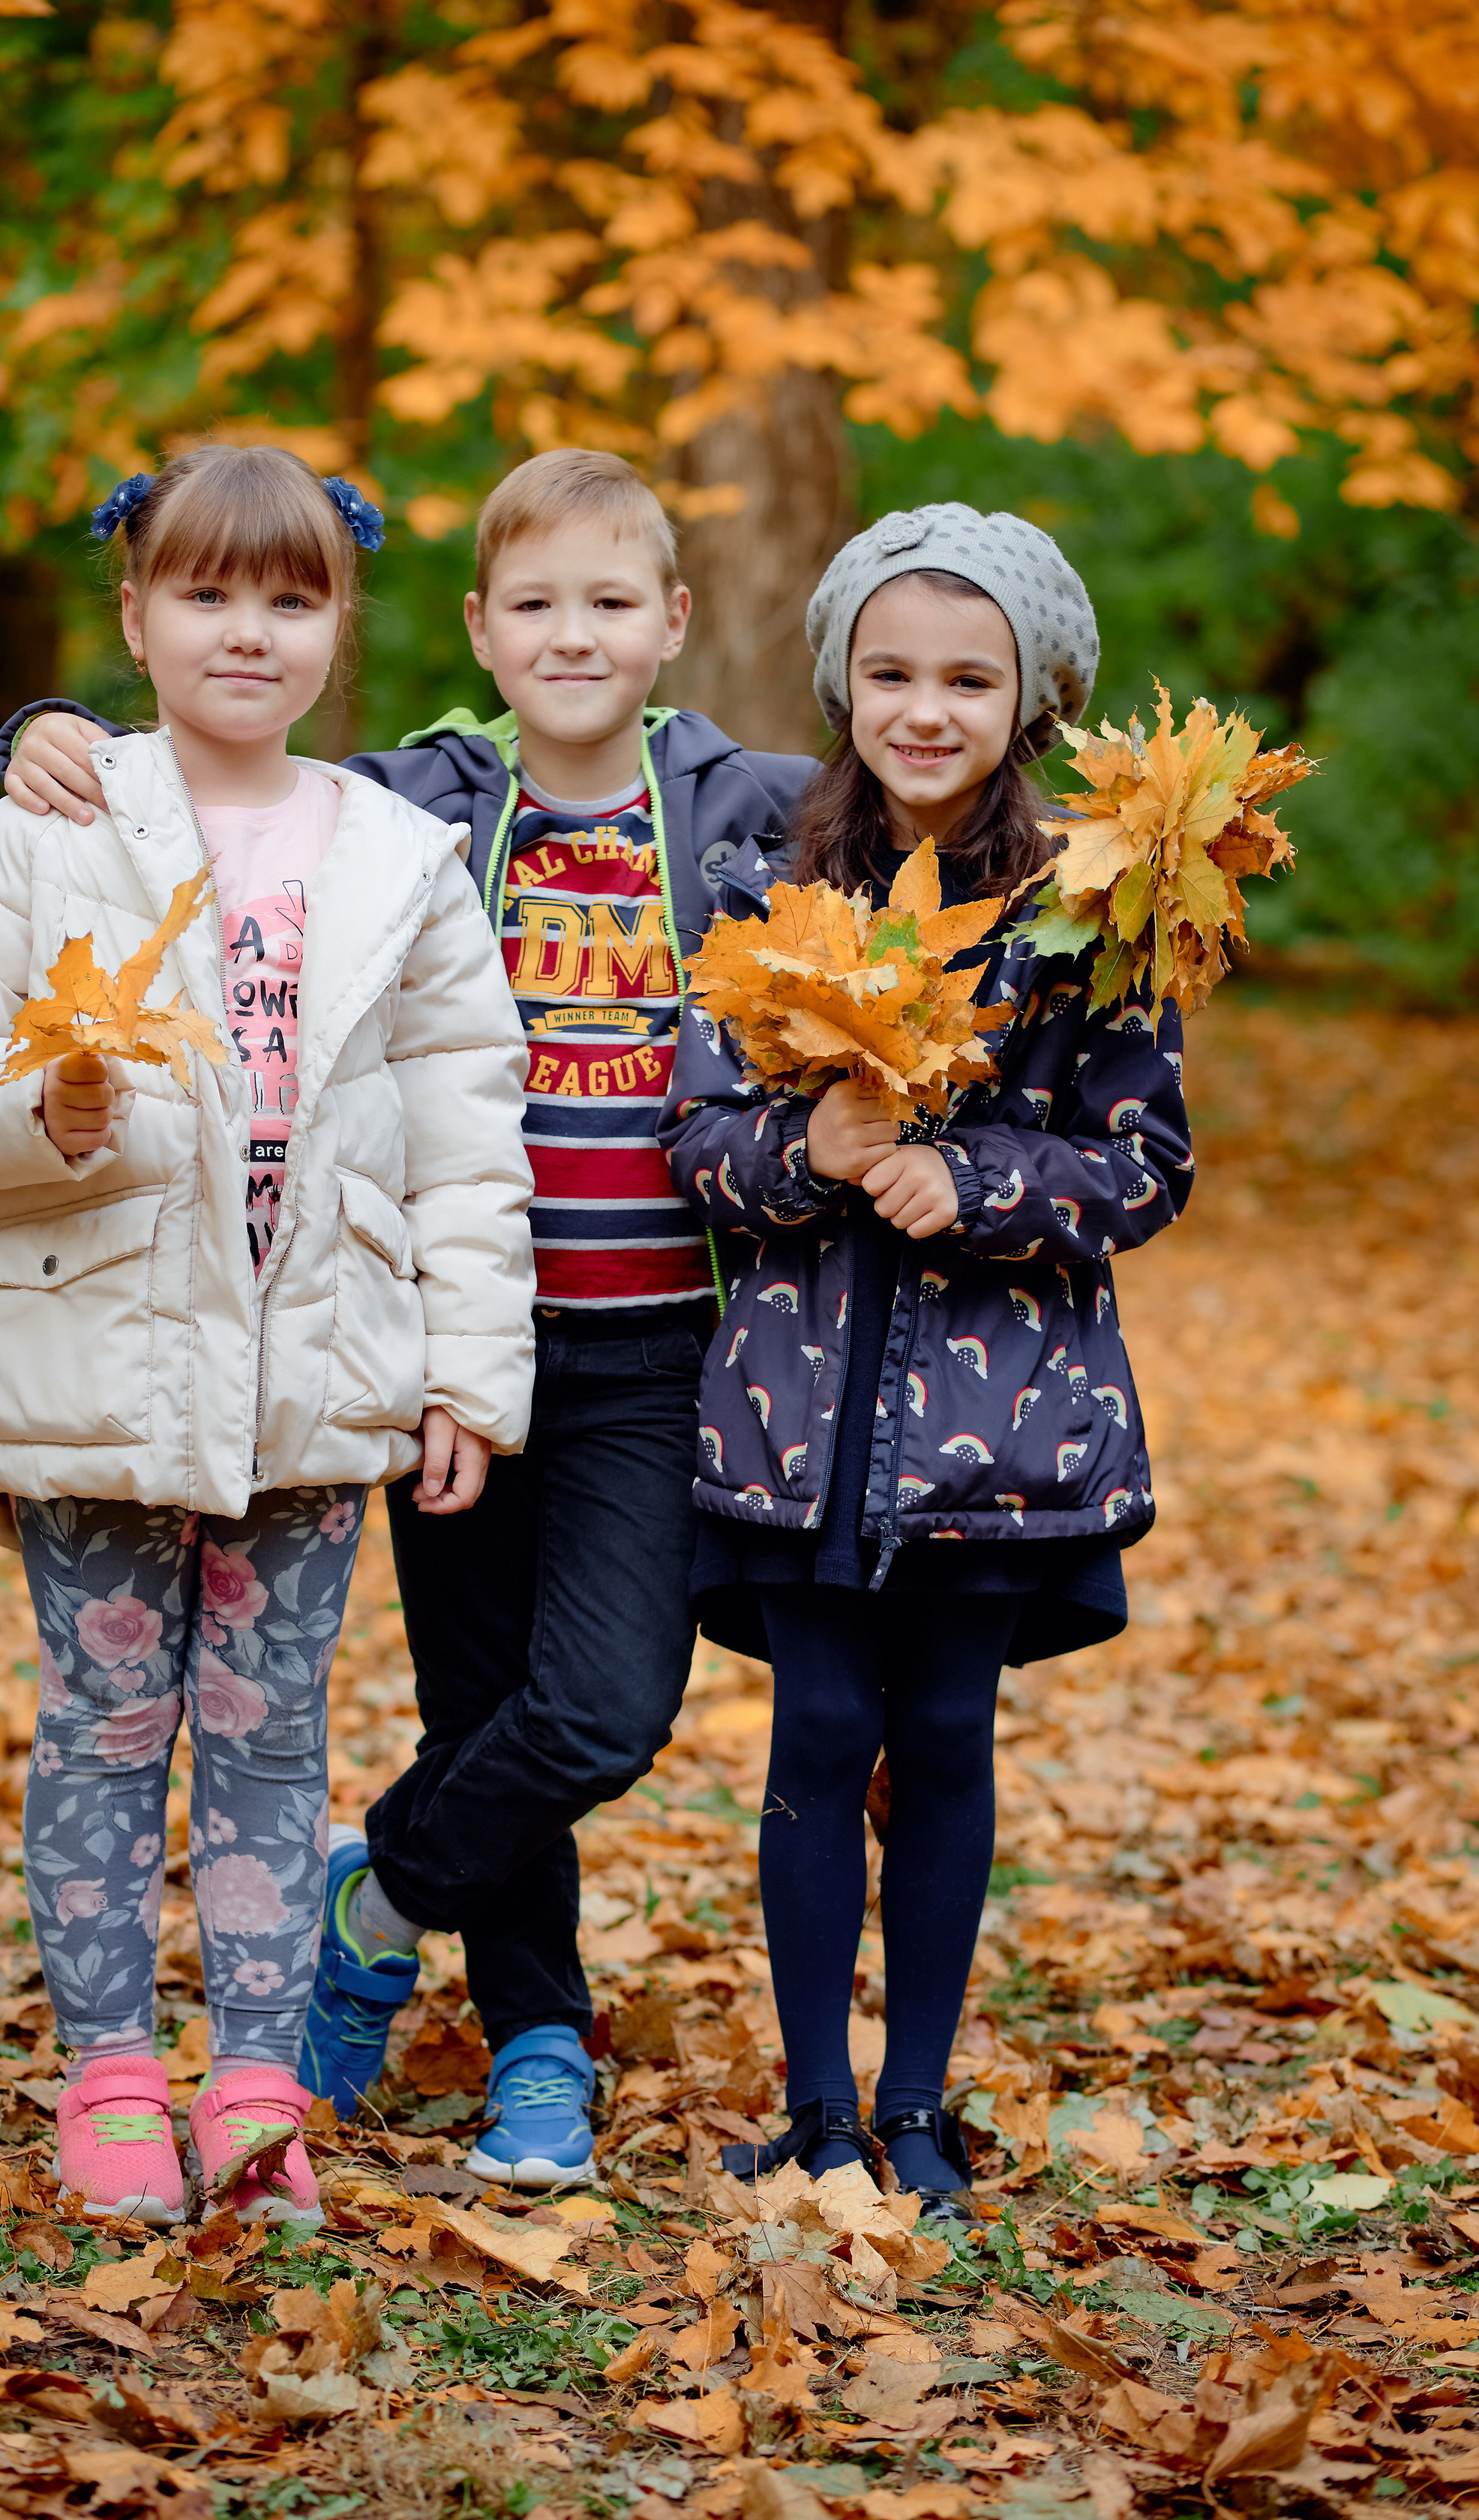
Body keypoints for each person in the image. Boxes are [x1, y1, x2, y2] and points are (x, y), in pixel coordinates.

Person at [0, 449, 820, 2186]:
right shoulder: (415, 801)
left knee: (596, 1711)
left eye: (611, 602)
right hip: (439, 1338)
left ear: (672, 620)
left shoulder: (748, 810)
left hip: (657, 1339)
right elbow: (219, 768)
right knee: (475, 1701)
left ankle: (381, 1893)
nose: (572, 635)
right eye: (535, 604)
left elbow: (921, 815)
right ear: (475, 626)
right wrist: (40, 732)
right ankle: (535, 2046)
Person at [0, 444, 535, 2229]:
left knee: (268, 1733)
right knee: (99, 1724)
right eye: (207, 594)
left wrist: (470, 1364)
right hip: (104, 1358)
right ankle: (107, 2074)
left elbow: (468, 1128)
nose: (249, 633)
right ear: (135, 615)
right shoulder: (51, 823)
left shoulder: (399, 854)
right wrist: (46, 1112)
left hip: (312, 1376)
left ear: (340, 628)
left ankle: (254, 2080)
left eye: (291, 599)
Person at [662, 503, 1194, 2219]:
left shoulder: (1096, 908)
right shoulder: (770, 878)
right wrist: (802, 1151)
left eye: (968, 678)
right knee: (816, 1726)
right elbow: (698, 1138)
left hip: (1001, 1412)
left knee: (946, 1731)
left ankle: (915, 2106)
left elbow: (1142, 1163)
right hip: (798, 1406)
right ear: (841, 681)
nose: (925, 708)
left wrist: (973, 1183)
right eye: (889, 671)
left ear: (1027, 699)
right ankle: (815, 2105)